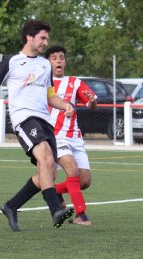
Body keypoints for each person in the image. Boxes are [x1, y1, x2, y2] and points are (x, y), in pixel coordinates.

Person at [0, 20, 75, 231]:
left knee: (48, 173)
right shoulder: (10, 61)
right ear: (29, 37)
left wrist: (65, 105)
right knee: (46, 159)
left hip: (45, 121)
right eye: (42, 38)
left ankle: (11, 206)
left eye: (47, 38)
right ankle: (55, 210)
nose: (45, 42)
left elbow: (51, 96)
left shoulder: (44, 65)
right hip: (24, 118)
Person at [44, 45, 96, 225]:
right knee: (72, 169)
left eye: (61, 57)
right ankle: (81, 215)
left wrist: (91, 101)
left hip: (75, 137)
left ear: (65, 61)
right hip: (56, 136)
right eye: (54, 58)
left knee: (84, 180)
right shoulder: (43, 83)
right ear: (48, 62)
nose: (58, 60)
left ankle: (54, 191)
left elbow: (91, 105)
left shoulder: (75, 82)